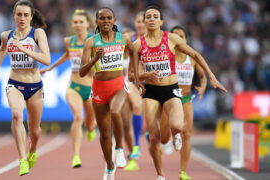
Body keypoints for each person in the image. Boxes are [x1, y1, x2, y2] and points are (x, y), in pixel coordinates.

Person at [129, 5, 227, 180]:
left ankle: (176, 136)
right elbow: (131, 75)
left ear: (161, 22)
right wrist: (144, 75)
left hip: (171, 89)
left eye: (155, 16)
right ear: (144, 22)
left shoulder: (171, 39)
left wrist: (211, 77)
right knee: (154, 137)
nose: (151, 19)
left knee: (178, 126)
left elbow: (196, 55)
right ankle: (160, 174)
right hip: (151, 91)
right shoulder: (137, 45)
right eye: (148, 16)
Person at [79, 7, 144, 180]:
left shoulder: (122, 38)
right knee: (105, 134)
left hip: (118, 85)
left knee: (116, 112)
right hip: (99, 89)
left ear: (114, 20)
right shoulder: (91, 43)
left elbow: (134, 53)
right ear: (97, 22)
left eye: (109, 18)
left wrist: (135, 77)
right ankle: (110, 166)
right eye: (102, 18)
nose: (105, 21)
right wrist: (95, 59)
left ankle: (120, 150)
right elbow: (82, 72)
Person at [0, 0, 50, 176]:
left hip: (35, 87)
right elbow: (2, 50)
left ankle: (33, 149)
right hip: (14, 83)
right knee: (16, 115)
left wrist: (23, 48)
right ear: (14, 16)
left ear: (31, 17)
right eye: (19, 14)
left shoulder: (37, 33)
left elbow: (46, 59)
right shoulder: (6, 36)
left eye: (25, 15)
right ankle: (22, 159)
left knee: (35, 130)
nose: (22, 18)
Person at [40, 9, 97, 168]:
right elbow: (67, 55)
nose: (78, 25)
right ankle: (76, 156)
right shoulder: (69, 41)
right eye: (75, 22)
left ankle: (91, 128)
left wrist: (88, 60)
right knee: (78, 117)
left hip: (91, 88)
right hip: (74, 87)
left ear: (87, 24)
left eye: (81, 22)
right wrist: (50, 68)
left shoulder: (94, 41)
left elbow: (98, 67)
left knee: (90, 124)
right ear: (72, 24)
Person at [170, 25, 207, 180]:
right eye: (175, 36)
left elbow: (203, 77)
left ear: (185, 40)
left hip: (185, 99)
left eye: (181, 36)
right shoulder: (167, 56)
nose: (178, 38)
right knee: (165, 137)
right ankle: (170, 134)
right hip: (169, 98)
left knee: (187, 134)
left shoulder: (191, 57)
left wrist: (202, 87)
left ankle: (183, 172)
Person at [122, 11, 146, 171]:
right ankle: (132, 154)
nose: (141, 23)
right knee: (125, 123)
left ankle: (139, 144)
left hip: (149, 84)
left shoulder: (155, 41)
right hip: (129, 82)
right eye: (138, 21)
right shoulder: (129, 39)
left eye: (143, 20)